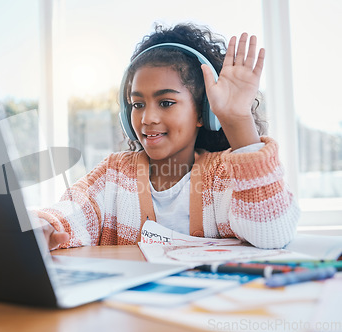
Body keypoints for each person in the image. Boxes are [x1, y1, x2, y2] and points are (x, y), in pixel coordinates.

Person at [36, 23, 299, 250]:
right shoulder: (114, 174)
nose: (148, 118)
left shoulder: (225, 175)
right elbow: (74, 211)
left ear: (202, 112)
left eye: (166, 102)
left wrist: (237, 119)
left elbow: (272, 233)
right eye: (138, 104)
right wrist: (45, 225)